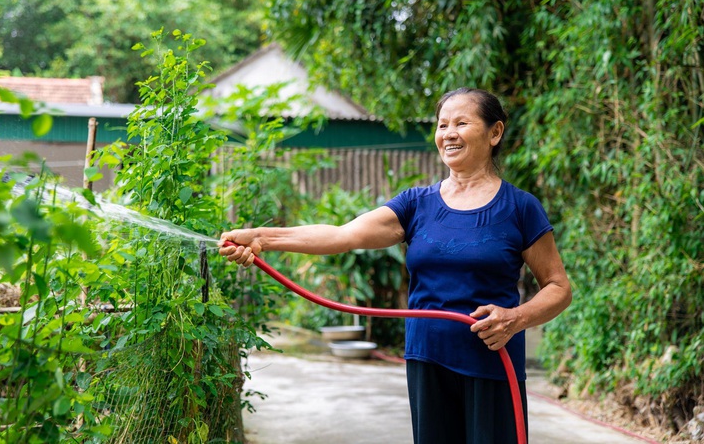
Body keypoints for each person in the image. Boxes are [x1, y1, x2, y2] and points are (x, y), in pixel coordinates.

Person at [218, 87, 572, 444]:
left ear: (495, 132)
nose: (448, 133)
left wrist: (517, 318)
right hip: (428, 359)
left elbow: (558, 287)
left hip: (494, 362)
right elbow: (343, 235)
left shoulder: (520, 208)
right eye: (442, 124)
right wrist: (263, 237)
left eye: (461, 123)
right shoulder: (416, 205)